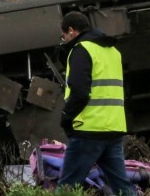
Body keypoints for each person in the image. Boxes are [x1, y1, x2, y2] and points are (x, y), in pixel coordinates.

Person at [57, 11, 135, 196]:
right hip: (113, 129)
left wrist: (66, 117)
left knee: (67, 185)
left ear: (71, 31)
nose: (64, 41)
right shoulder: (113, 51)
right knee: (122, 186)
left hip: (88, 130)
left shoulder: (81, 50)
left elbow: (79, 91)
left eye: (64, 37)